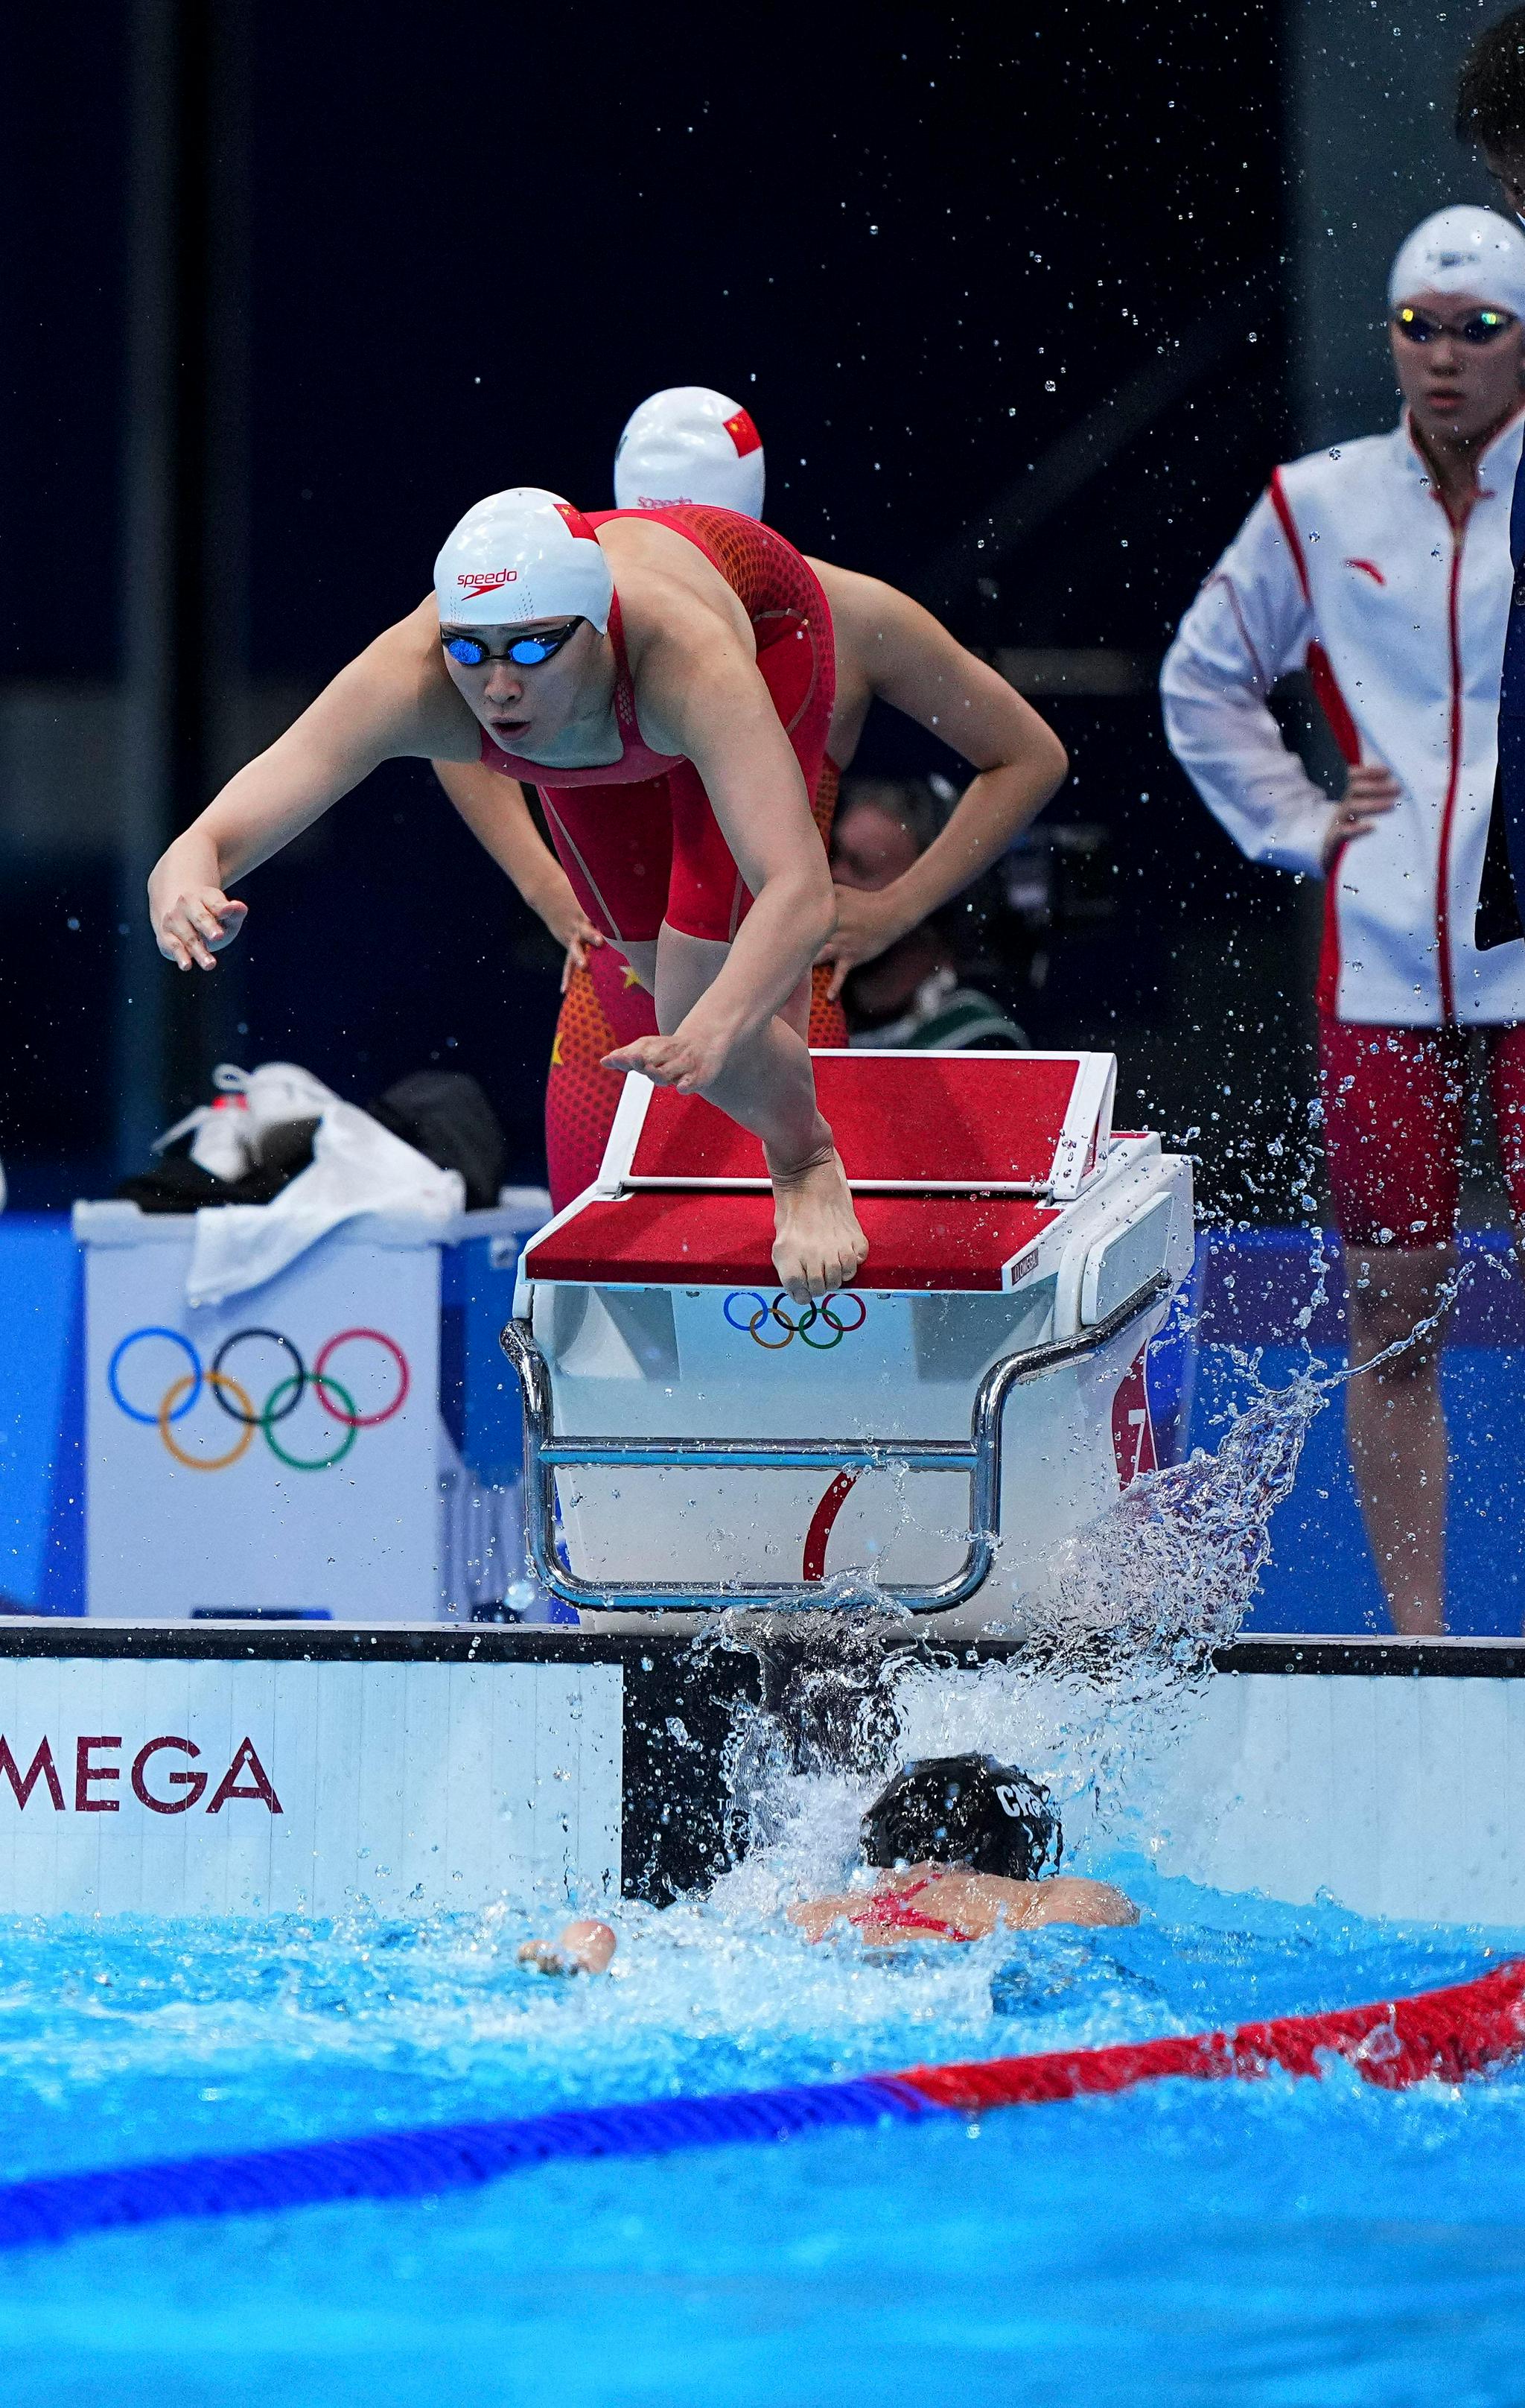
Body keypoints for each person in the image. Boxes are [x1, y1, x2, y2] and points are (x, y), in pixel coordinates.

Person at [147, 486, 868, 1305]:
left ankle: (805, 1158)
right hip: (602, 721)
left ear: (595, 631)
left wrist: (717, 1024)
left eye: (528, 651)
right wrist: (185, 878)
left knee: (697, 996)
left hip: (767, 631)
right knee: (667, 996)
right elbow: (209, 835)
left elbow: (801, 892)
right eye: (470, 650)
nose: (494, 688)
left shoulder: (689, 659)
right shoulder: (416, 673)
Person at [1162, 204, 1525, 1636]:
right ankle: (1418, 1638)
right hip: (1378, 960)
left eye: (1478, 328)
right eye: (1416, 327)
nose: (1442, 357)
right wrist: (1298, 821)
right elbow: (1202, 682)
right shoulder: (1318, 503)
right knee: (1390, 1310)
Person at [435, 390, 1069, 1203]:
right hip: (621, 986)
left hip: (773, 986)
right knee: (597, 1287)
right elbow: (454, 726)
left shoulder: (842, 612)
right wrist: (548, 887)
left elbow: (1026, 756)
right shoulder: (576, 616)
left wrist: (896, 908)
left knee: (795, 1294)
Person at [518, 1753, 1136, 1975]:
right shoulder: (1031, 1900)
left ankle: (580, 1954)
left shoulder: (819, 1910)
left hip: (810, 1969)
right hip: (934, 1984)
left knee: (639, 1945)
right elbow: (1094, 1932)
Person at [830, 778, 1030, 1049]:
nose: (832, 883)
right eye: (833, 858)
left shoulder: (979, 1044)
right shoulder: (796, 1016)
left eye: (861, 868)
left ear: (934, 905)